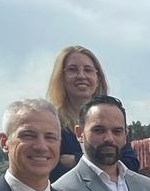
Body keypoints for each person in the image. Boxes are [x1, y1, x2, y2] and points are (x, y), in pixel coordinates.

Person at [44, 45, 137, 179]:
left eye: (88, 70)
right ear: (61, 77)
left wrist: (76, 159)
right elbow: (51, 168)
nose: (81, 76)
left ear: (98, 78)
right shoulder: (50, 122)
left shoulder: (113, 117)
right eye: (73, 70)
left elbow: (131, 164)